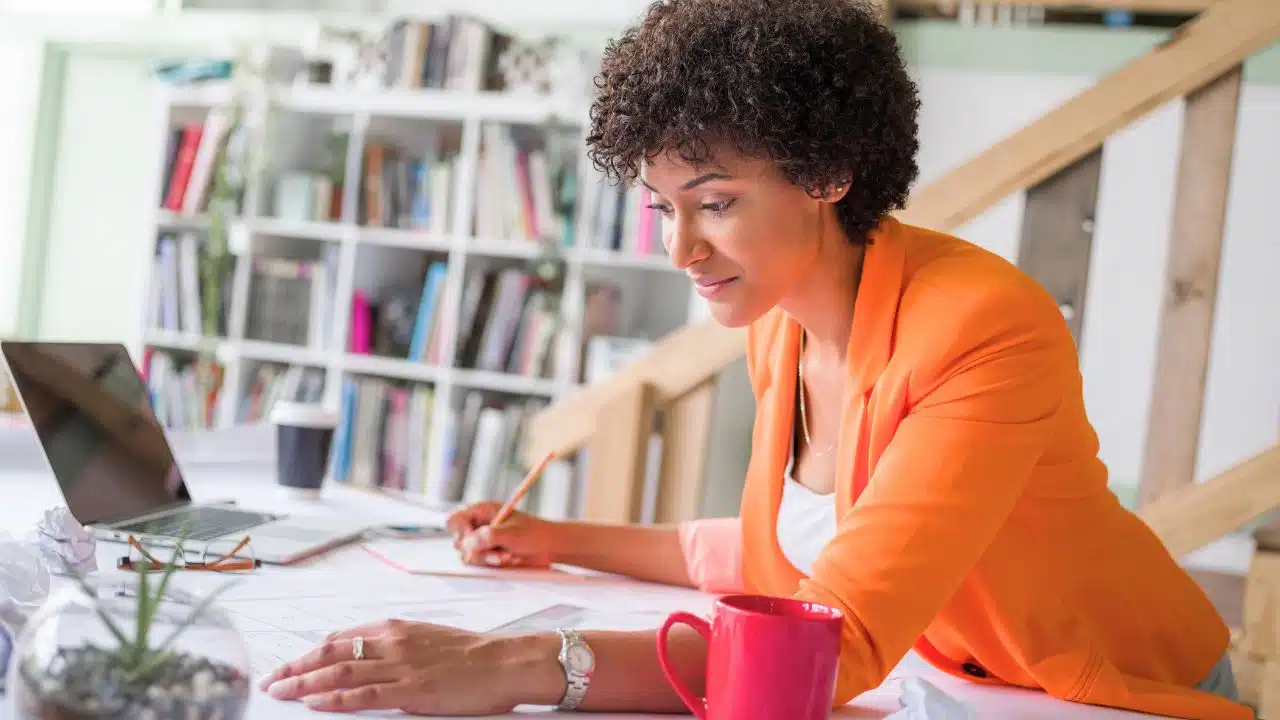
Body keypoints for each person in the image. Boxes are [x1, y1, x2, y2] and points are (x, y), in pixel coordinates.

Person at [258, 0, 1249, 717]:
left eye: (715, 203)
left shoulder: (982, 326)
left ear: (826, 174)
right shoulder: (777, 317)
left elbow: (821, 643)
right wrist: (562, 538)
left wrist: (517, 664)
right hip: (945, 680)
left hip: (1104, 692)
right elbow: (776, 547)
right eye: (662, 209)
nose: (678, 249)